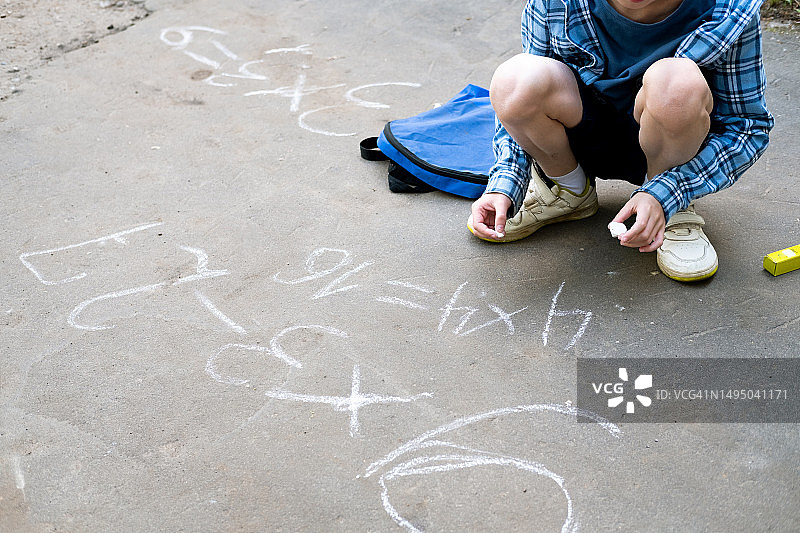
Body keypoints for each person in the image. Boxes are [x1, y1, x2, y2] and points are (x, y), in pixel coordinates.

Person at [467, 0, 773, 282]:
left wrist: (669, 191)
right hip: (582, 134)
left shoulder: (729, 11)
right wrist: (506, 183)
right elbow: (521, 102)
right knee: (515, 80)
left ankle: (672, 212)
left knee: (676, 85)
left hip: (672, 148)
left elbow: (746, 127)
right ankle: (567, 190)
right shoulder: (556, 3)